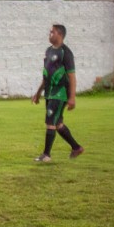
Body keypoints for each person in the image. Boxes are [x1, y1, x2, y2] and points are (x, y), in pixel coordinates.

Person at [32, 23, 84, 163]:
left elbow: (72, 77)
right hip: (49, 93)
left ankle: (46, 155)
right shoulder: (49, 51)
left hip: (60, 94)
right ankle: (76, 148)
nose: (49, 34)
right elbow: (46, 74)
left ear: (60, 34)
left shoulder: (66, 53)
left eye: (52, 32)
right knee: (58, 123)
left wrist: (72, 97)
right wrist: (38, 93)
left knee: (50, 122)